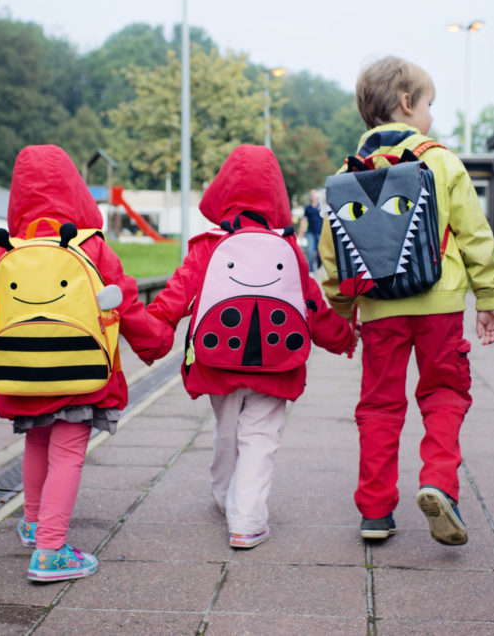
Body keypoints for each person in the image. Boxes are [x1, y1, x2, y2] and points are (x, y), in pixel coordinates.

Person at [0, 144, 167, 582]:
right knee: (68, 453)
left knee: (35, 442)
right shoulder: (92, 247)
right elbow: (125, 303)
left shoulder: (6, 251)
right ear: (77, 189)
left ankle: (33, 524)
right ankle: (51, 551)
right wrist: (155, 343)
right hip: (80, 375)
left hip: (21, 373)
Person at [319, 56, 494, 545]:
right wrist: (488, 296)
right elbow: (474, 233)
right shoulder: (441, 160)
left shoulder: (346, 173)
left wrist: (343, 316)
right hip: (439, 303)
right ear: (407, 104)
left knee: (379, 405)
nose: (430, 114)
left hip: (380, 307)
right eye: (429, 104)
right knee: (444, 392)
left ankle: (376, 512)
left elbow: (333, 254)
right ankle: (438, 482)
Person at [147, 145, 355, 549]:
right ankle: (247, 520)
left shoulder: (207, 245)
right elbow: (311, 305)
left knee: (227, 431)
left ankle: (225, 496)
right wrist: (344, 337)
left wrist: (149, 329)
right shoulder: (289, 249)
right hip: (277, 363)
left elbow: (175, 295)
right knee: (260, 436)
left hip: (217, 359)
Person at [302, 188, 324, 272]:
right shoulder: (308, 207)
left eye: (314, 194)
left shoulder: (321, 206)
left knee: (319, 252)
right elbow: (304, 219)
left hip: (320, 232)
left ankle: (319, 266)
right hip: (310, 232)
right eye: (311, 194)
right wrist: (302, 230)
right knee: (310, 251)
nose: (313, 196)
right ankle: (311, 270)